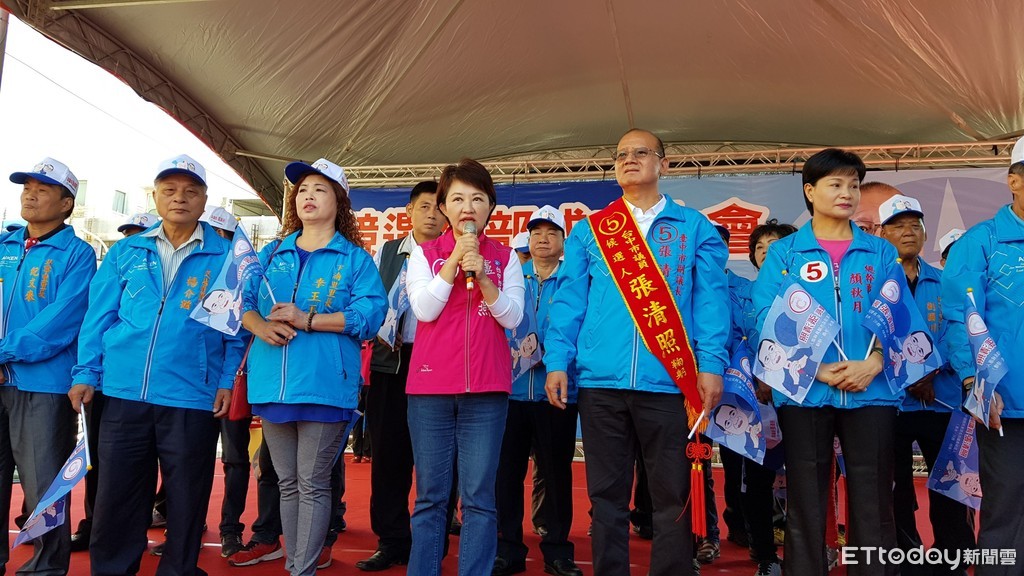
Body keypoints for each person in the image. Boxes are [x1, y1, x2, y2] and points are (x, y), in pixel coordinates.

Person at [545, 128, 728, 576]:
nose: (629, 159)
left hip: (668, 382)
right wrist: (557, 360)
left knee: (670, 496)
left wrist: (711, 364)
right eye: (621, 154)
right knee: (606, 497)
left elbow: (710, 303)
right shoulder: (591, 231)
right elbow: (569, 302)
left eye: (641, 152)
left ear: (663, 164)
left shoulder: (694, 228)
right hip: (600, 383)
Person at [70, 154, 245, 576]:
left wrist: (226, 380)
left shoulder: (227, 257)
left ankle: (179, 569)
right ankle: (112, 569)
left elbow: (236, 329)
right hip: (123, 391)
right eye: (169, 190)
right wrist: (86, 373)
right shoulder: (127, 251)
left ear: (204, 200)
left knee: (186, 495)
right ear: (156, 196)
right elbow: (98, 317)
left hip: (191, 393)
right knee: (117, 494)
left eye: (190, 191)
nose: (179, 198)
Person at [752, 148, 904, 576]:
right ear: (810, 191)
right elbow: (763, 317)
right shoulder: (785, 254)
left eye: (854, 185)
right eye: (835, 184)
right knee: (806, 501)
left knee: (873, 501)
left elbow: (900, 316)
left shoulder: (880, 252)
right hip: (806, 391)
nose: (847, 193)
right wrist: (812, 368)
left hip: (871, 390)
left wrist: (874, 363)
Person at [242, 157, 385, 576]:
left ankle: (301, 569)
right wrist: (261, 326)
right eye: (302, 189)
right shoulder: (272, 253)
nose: (308, 196)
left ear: (339, 202)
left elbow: (370, 316)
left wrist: (308, 320)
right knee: (287, 482)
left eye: (319, 189)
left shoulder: (355, 259)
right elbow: (240, 301)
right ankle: (295, 564)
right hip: (272, 383)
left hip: (325, 385)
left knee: (312, 482)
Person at [405, 158, 525, 576]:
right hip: (430, 390)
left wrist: (485, 279)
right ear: (443, 207)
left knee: (479, 498)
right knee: (431, 496)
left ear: (490, 206)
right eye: (457, 199)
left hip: (487, 391)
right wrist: (454, 260)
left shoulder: (506, 258)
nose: (467, 207)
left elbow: (513, 317)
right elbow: (424, 309)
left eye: (477, 198)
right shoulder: (424, 255)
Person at [0, 157, 95, 574]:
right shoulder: (4, 246)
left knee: (43, 486)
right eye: (26, 188)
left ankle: (45, 568)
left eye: (42, 190)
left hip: (43, 386)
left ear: (66, 203)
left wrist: (2, 351)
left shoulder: (77, 254)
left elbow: (60, 322)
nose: (30, 195)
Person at [874, 189, 974, 575]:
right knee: (895, 488)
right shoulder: (876, 284)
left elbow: (958, 331)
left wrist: (930, 370)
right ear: (882, 234)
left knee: (950, 487)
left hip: (942, 400)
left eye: (915, 226)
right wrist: (909, 375)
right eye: (898, 226)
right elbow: (870, 336)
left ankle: (953, 558)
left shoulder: (944, 282)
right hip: (891, 403)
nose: (908, 232)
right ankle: (906, 556)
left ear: (925, 234)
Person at [940, 135, 1024, 574]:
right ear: (1015, 180)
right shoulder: (981, 243)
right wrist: (977, 384)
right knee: (1006, 506)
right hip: (1006, 402)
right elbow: (959, 318)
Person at [357, 180, 444, 571]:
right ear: (409, 211)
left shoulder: (453, 253)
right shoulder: (387, 252)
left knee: (436, 460)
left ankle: (432, 542)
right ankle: (391, 540)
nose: (432, 214)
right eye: (424, 206)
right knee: (388, 456)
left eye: (438, 207)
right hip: (391, 362)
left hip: (437, 365)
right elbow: (371, 302)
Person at [494, 206, 582, 576]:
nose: (543, 239)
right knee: (506, 474)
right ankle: (507, 550)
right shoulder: (512, 277)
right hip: (510, 393)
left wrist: (556, 356)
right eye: (536, 232)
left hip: (557, 393)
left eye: (551, 232)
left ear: (564, 241)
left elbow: (581, 329)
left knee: (556, 474)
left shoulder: (575, 279)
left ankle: (557, 551)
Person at [742, 219, 795, 576]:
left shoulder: (808, 291)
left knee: (808, 476)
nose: (766, 253)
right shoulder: (744, 295)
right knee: (758, 480)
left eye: (773, 245)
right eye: (759, 248)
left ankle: (807, 549)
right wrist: (759, 379)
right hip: (758, 402)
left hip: (805, 400)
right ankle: (765, 553)